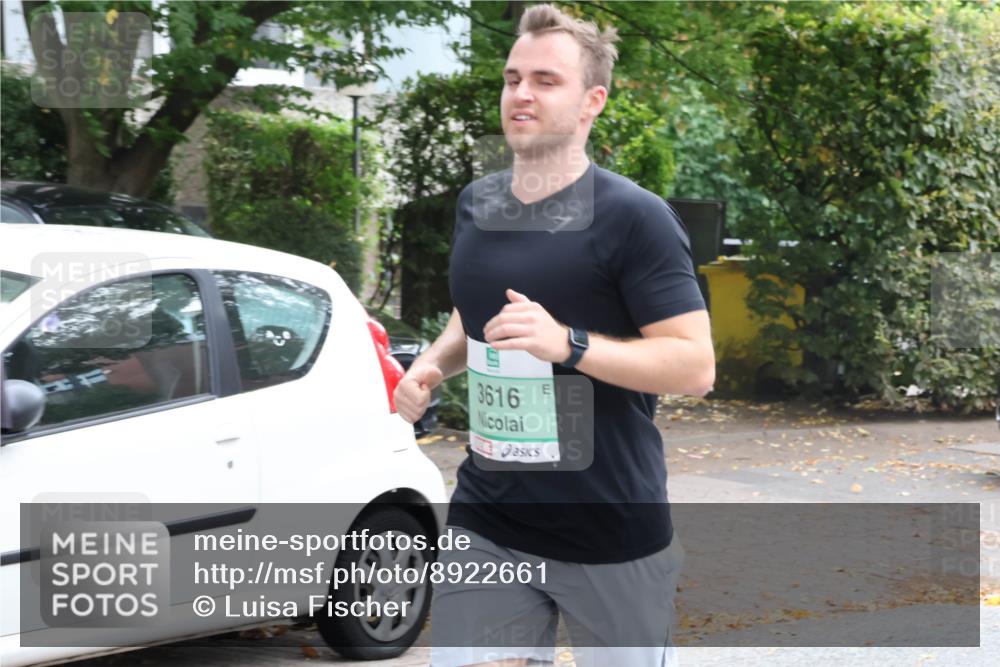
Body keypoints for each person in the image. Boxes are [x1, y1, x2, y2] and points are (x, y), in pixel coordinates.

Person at [394, 5, 715, 666]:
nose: (521, 93)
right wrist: (431, 365)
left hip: (610, 526)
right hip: (490, 517)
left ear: (592, 100)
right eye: (513, 78)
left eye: (545, 80)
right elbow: (475, 315)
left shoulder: (635, 218)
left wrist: (568, 343)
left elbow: (694, 365)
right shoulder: (477, 204)